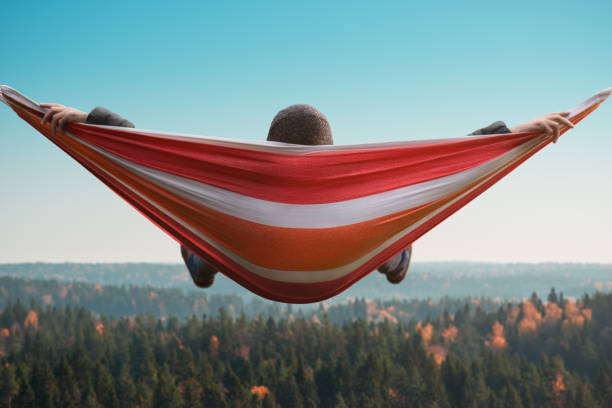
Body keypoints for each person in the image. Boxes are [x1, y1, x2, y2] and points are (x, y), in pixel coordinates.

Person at [39, 100, 574, 289]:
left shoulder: (243, 188)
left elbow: (156, 156)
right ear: (330, 152)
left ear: (270, 147)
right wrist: (515, 134)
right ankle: (395, 254)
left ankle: (202, 255)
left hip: (243, 246)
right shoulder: (351, 192)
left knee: (205, 218)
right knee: (384, 222)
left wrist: (92, 122)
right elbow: (447, 159)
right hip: (347, 252)